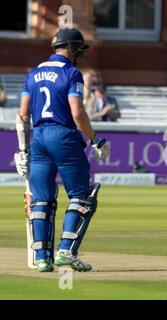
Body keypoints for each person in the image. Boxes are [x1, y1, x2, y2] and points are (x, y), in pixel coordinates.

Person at [14, 28, 110, 272]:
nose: (80, 55)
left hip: (39, 137)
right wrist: (95, 140)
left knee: (42, 200)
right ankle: (66, 251)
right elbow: (77, 112)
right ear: (72, 49)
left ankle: (43, 258)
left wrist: (22, 149)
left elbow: (23, 115)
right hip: (63, 136)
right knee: (81, 196)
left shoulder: (33, 74)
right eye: (79, 49)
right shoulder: (72, 73)